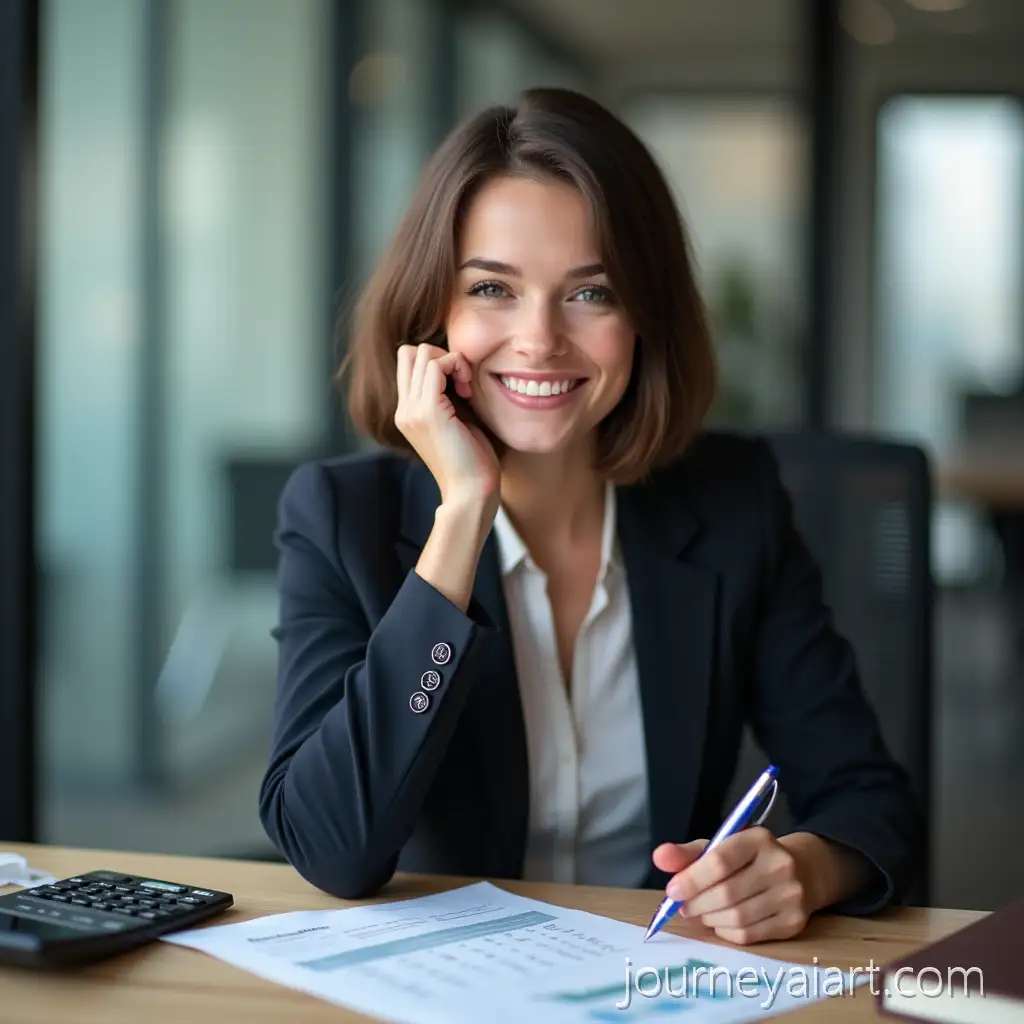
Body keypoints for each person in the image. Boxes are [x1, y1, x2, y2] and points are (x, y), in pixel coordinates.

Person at [259, 87, 923, 944]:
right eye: (493, 288)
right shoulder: (339, 517)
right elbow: (330, 846)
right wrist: (462, 516)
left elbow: (871, 799)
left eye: (592, 293)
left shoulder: (733, 502)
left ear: (645, 316)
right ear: (435, 313)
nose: (539, 340)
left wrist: (804, 868)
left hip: (652, 979)